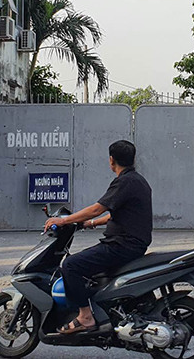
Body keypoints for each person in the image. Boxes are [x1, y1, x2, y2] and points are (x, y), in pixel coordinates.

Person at [43, 140, 152, 335]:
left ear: (111, 160)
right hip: (130, 243)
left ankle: (85, 317)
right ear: (133, 159)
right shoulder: (138, 180)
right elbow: (114, 213)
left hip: (121, 245)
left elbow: (97, 208)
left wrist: (64, 221)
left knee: (71, 265)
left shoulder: (124, 181)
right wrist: (88, 224)